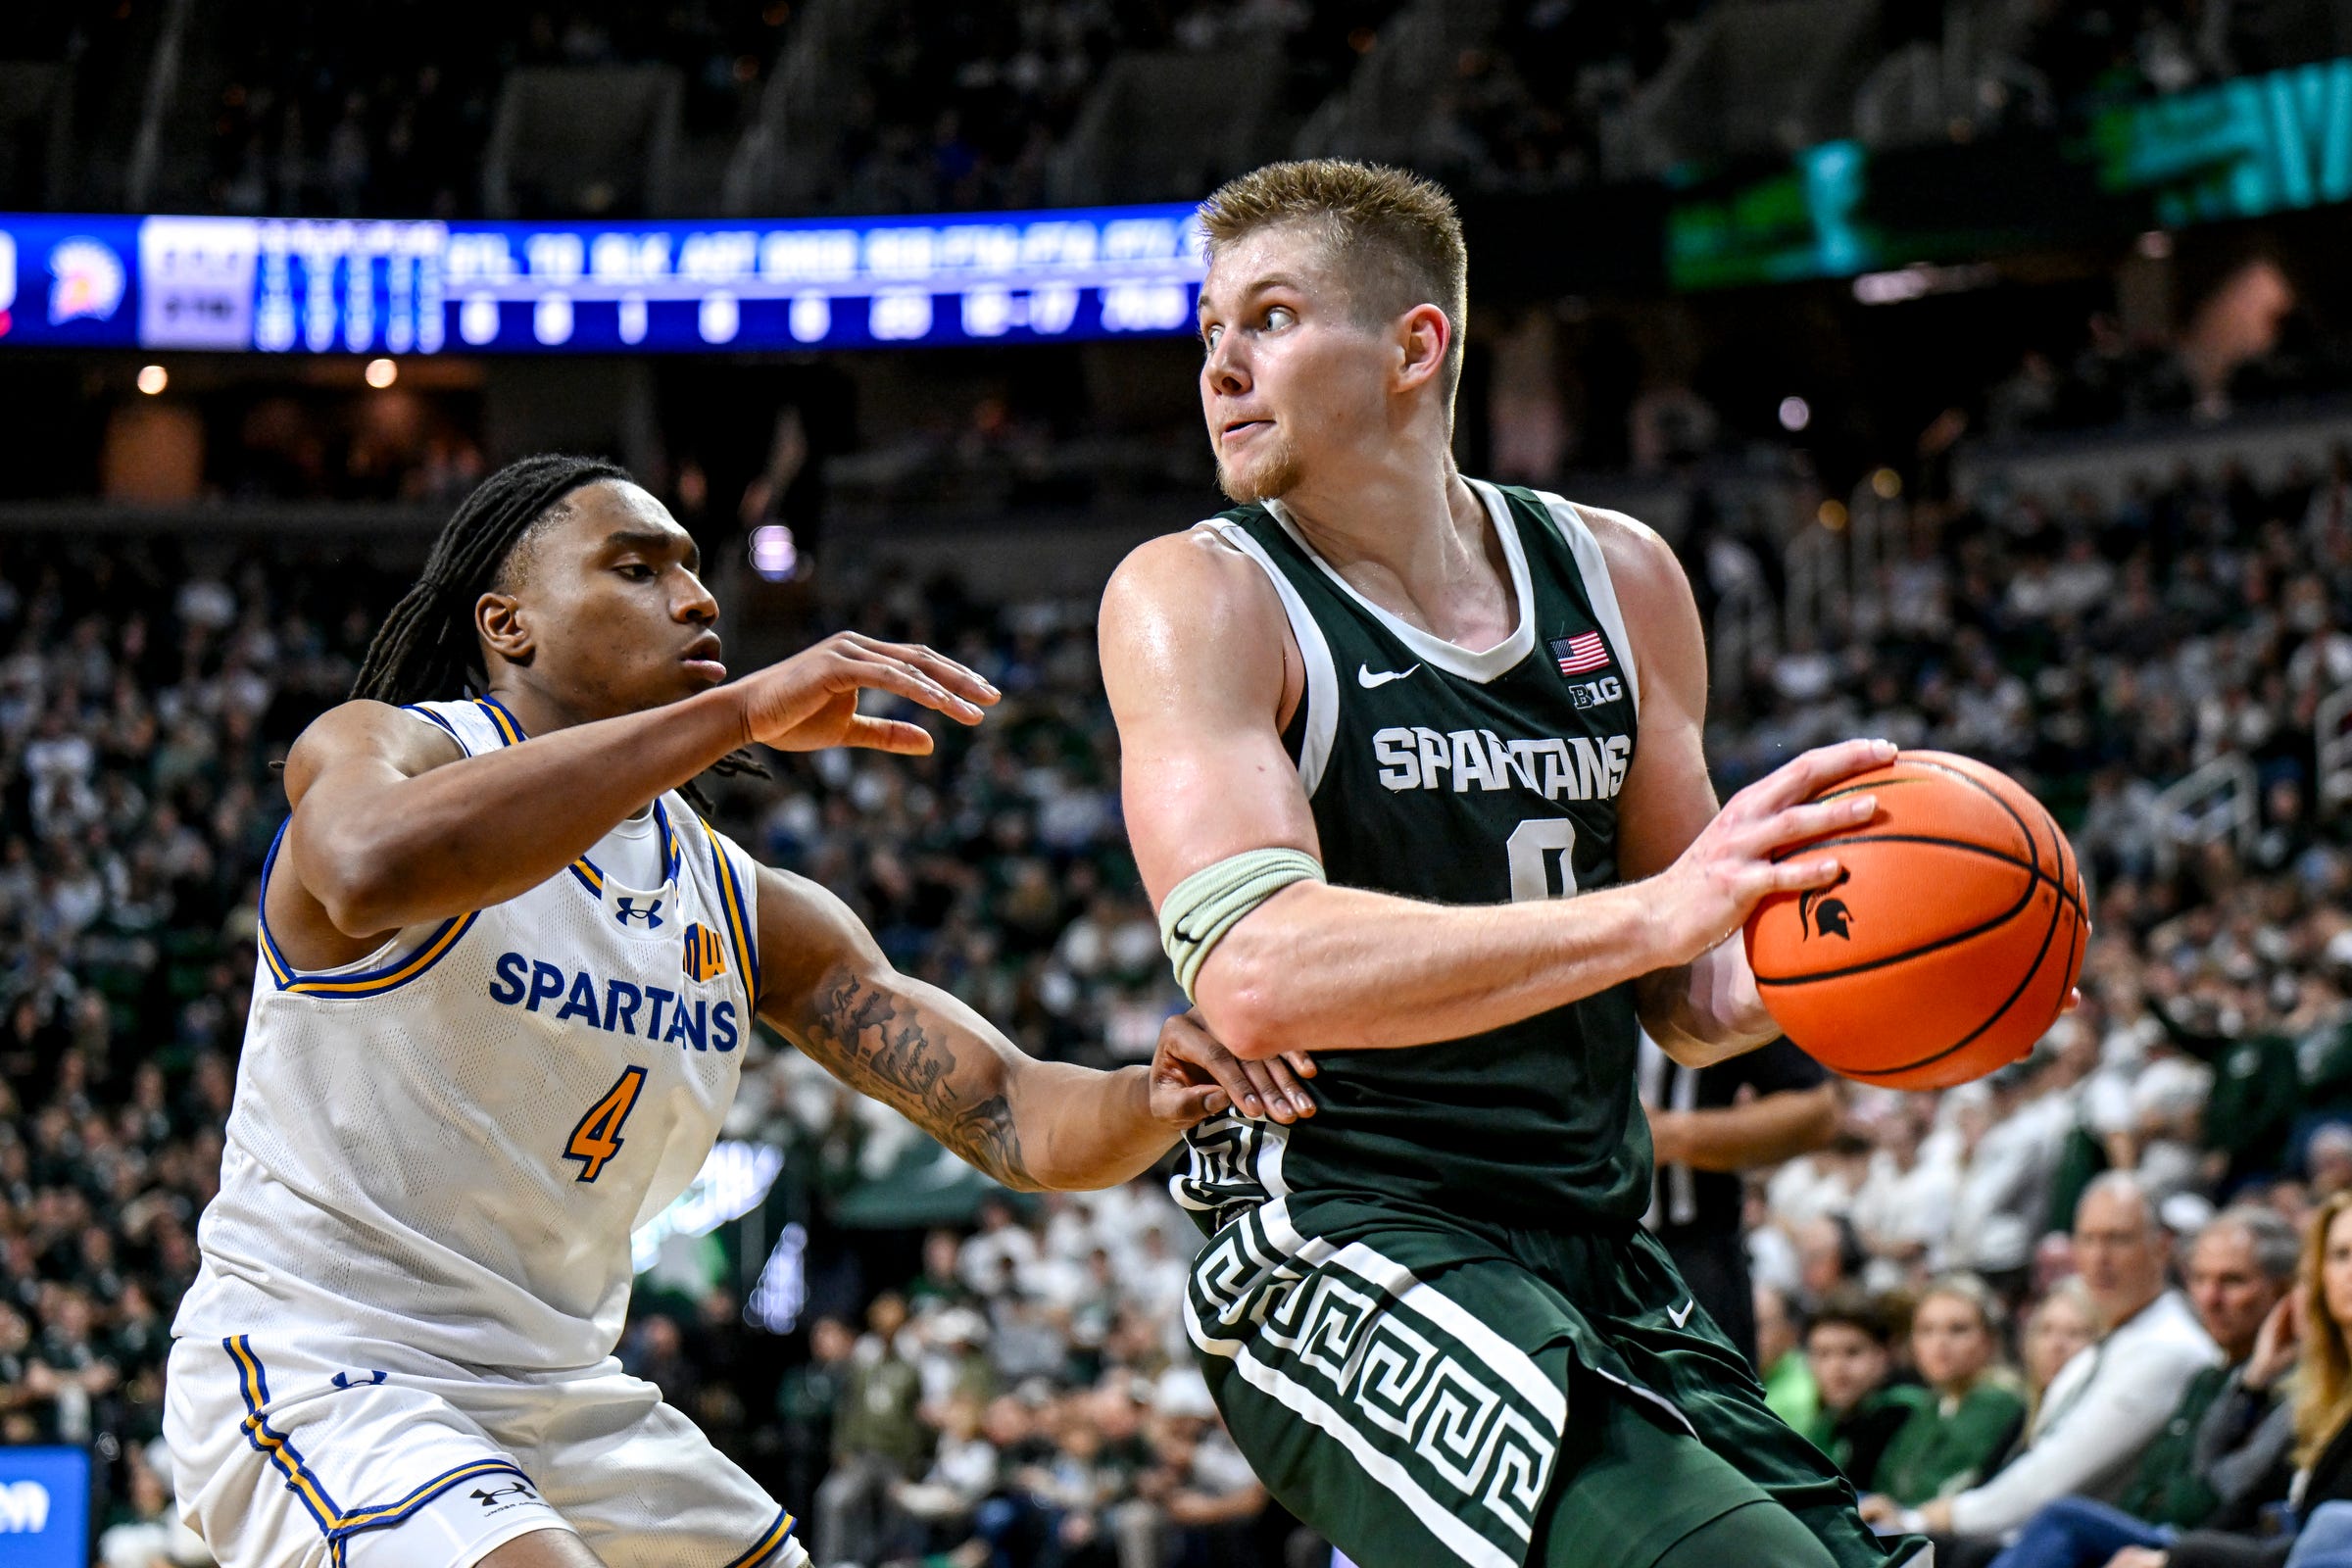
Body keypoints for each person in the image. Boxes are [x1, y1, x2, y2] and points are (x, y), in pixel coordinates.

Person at [160, 454, 1303, 1568]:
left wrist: (1150, 1092)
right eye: (636, 568)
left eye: (695, 569)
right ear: (510, 626)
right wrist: (743, 713)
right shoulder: (387, 747)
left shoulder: (741, 903)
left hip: (562, 1397)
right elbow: (362, 867)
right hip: (327, 1361)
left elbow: (1007, 1109)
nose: (698, 597)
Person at [1099, 157, 1938, 1568]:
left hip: (1603, 1248)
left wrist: (1899, 962)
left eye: (1272, 319)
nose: (1220, 368)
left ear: (1416, 346)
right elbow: (1254, 974)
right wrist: (1658, 913)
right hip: (1349, 1240)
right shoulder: (1203, 593)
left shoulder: (1621, 577)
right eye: (1209, 333)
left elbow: (1692, 997)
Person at [1865, 1173, 2220, 1549]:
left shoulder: (2168, 1347)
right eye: (2087, 1239)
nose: (2100, 1258)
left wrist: (1923, 1517)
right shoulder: (2116, 1341)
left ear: (2162, 1246)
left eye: (2118, 1239)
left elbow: (2052, 1476)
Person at [2107, 1192, 2352, 1568]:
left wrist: (2178, 1557)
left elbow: (2223, 1488)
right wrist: (2252, 1381)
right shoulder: (2317, 1390)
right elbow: (2209, 1474)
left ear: (2284, 1292)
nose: (2210, 1298)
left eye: (2232, 1281)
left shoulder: (2295, 1383)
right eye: (2340, 1255)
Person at [1641, 1033, 1842, 1367]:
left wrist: (1673, 1134)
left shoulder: (1712, 984)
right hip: (1556, 1250)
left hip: (1692, 1252)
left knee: (1705, 1410)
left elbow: (1818, 1111)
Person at [1871, 1275, 2027, 1507]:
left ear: (1989, 1339)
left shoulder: (2000, 1403)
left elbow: (1954, 1488)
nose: (1940, 1342)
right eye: (1926, 1330)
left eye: (1958, 1329)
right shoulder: (1932, 1404)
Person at [1802, 1292, 1926, 1491]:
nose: (1836, 1367)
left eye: (1852, 1352)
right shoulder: (1827, 1422)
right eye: (1823, 1354)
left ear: (1884, 1354)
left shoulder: (1907, 1414)